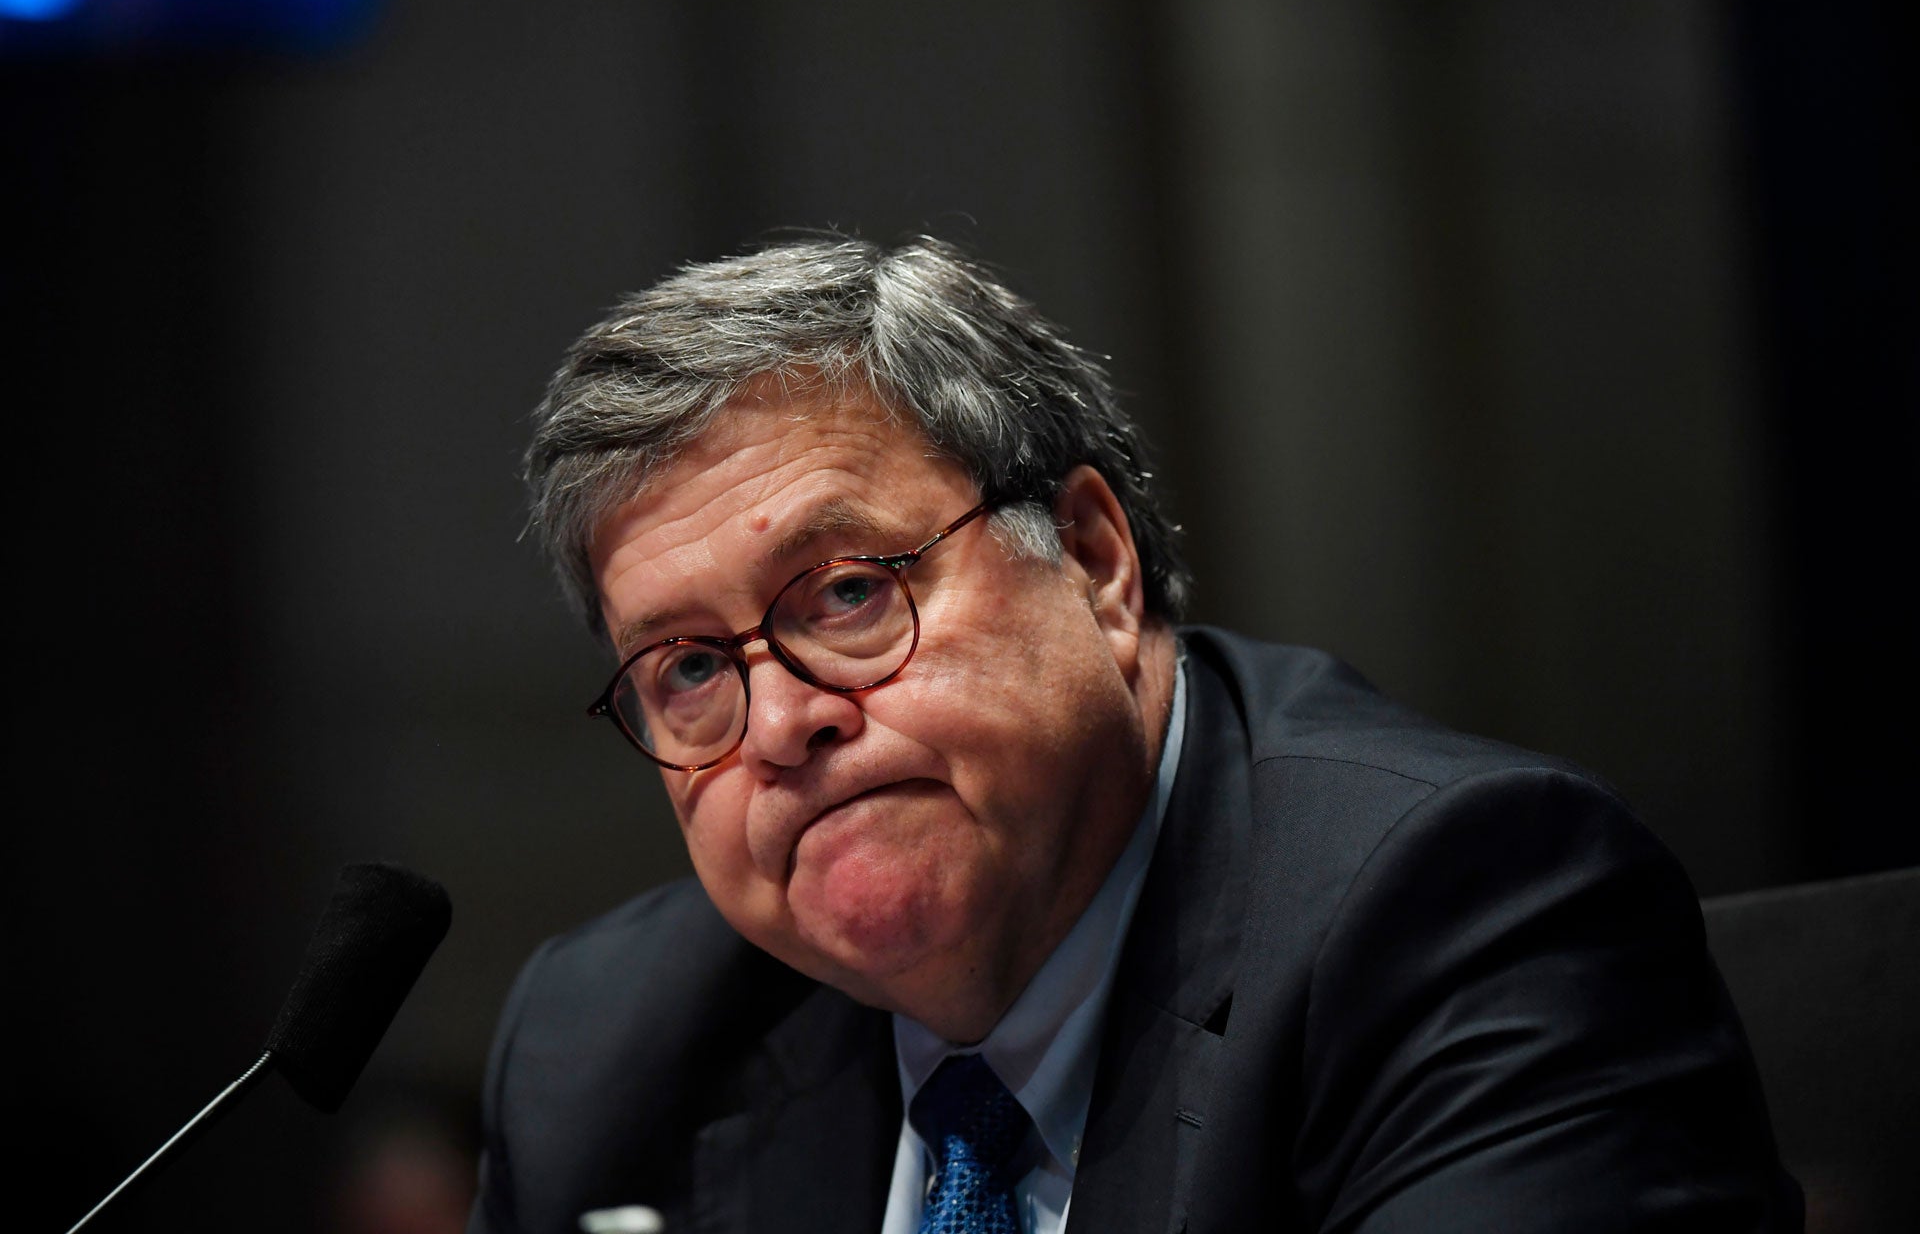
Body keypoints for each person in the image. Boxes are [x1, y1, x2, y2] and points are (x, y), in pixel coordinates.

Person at [470, 237, 1801, 1234]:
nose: (780, 722)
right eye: (691, 665)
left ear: (1099, 562)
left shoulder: (1462, 915)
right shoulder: (605, 1052)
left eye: (850, 594)